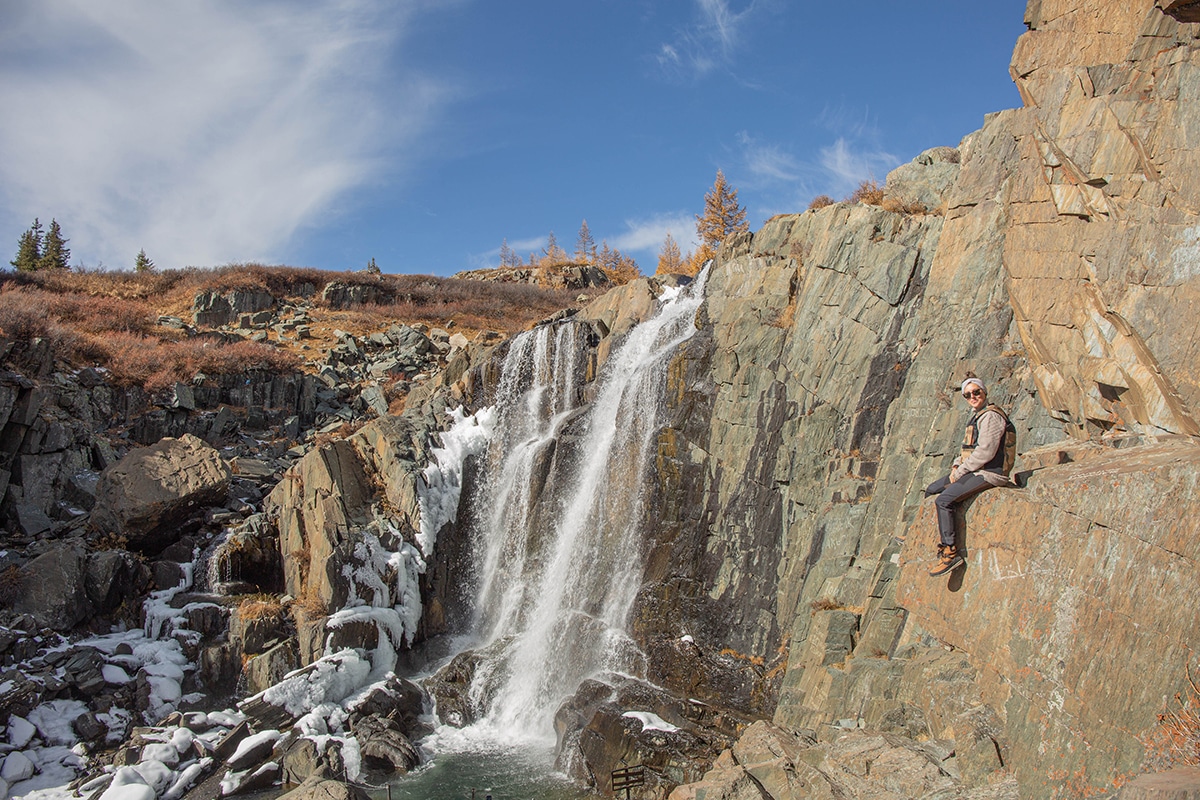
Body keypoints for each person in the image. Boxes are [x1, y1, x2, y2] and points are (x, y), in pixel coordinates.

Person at [924, 377, 1016, 576]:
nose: (973, 397)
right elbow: (968, 448)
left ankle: (950, 552)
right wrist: (957, 465)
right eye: (968, 394)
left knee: (944, 500)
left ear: (984, 392)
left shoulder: (991, 416)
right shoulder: (978, 416)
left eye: (976, 392)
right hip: (974, 469)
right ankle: (930, 533)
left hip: (990, 473)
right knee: (932, 489)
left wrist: (961, 472)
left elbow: (986, 452)